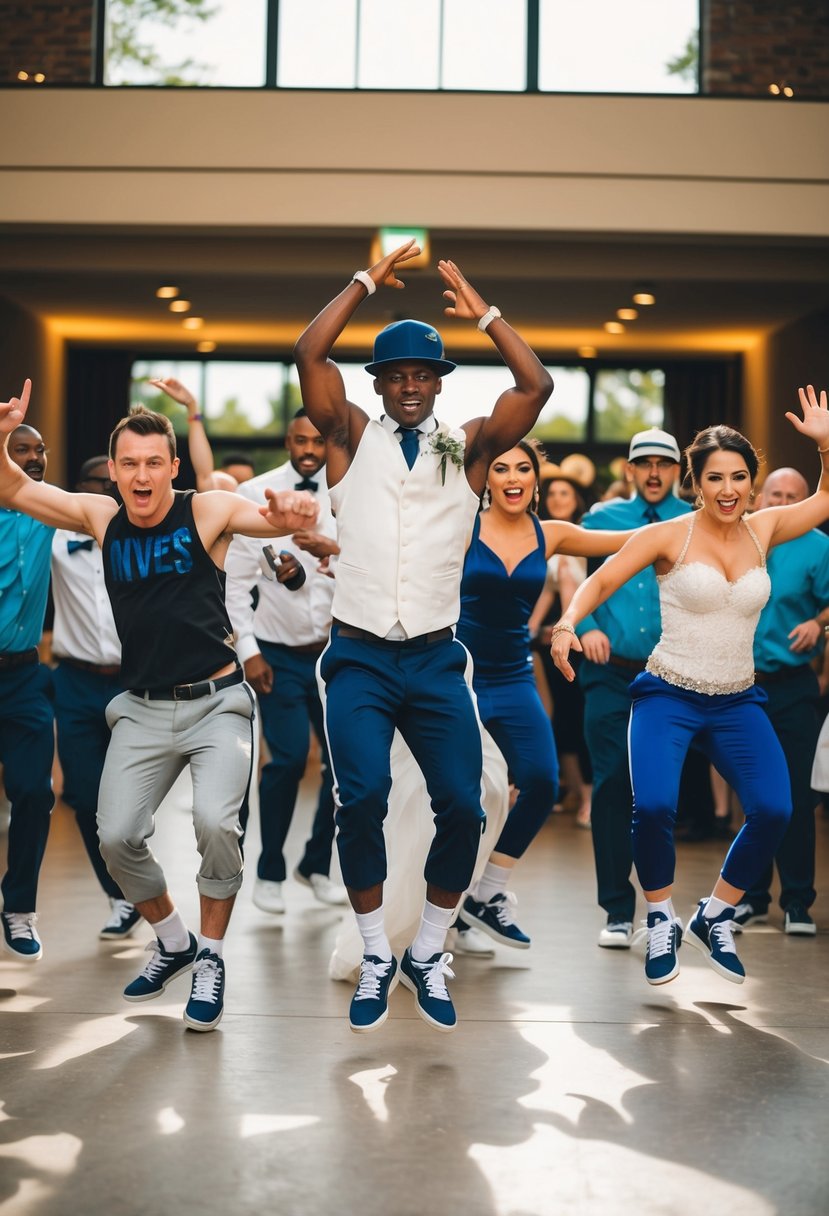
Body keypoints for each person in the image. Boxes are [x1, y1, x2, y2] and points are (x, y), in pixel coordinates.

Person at [294, 238, 553, 1033]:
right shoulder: (345, 438)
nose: (409, 386)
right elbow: (309, 351)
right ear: (379, 385)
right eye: (395, 375)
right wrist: (366, 280)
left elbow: (534, 384)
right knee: (361, 797)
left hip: (438, 657)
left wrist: (486, 314)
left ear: (439, 383)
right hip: (360, 656)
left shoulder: (471, 449)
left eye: (422, 375)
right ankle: (377, 950)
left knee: (466, 809)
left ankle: (429, 948)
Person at [0, 382, 317, 1031]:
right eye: (129, 464)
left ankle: (213, 957)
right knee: (115, 837)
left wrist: (288, 518)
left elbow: (266, 519)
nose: (141, 476)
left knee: (213, 824)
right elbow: (14, 490)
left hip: (217, 702)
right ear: (113, 471)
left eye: (154, 463)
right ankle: (172, 939)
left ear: (173, 467)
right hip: (140, 708)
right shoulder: (101, 516)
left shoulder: (207, 510)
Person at [551, 387, 829, 988]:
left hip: (737, 699)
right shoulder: (666, 537)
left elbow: (826, 497)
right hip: (669, 693)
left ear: (751, 483)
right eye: (714, 478)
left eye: (738, 477)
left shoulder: (766, 529)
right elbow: (598, 584)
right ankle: (659, 919)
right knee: (651, 805)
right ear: (696, 483)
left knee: (776, 809)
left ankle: (716, 914)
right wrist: (569, 622)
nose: (727, 489)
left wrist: (826, 444)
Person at [454, 441, 630, 949]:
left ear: (536, 477)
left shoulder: (549, 533)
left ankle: (488, 894)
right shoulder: (462, 527)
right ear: (485, 479)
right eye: (500, 467)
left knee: (542, 781)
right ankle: (445, 905)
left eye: (523, 468)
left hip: (513, 676)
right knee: (464, 797)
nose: (512, 477)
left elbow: (630, 540)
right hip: (457, 677)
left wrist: (700, 522)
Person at [224, 408, 347, 914]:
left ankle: (316, 865)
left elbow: (368, 565)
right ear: (288, 441)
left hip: (340, 653)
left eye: (318, 441)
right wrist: (248, 652)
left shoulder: (348, 491)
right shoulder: (255, 493)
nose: (310, 450)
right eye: (301, 440)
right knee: (290, 758)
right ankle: (269, 869)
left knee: (345, 770)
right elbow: (233, 585)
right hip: (276, 653)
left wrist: (333, 559)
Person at [575, 428, 692, 950]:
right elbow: (575, 583)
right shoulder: (600, 522)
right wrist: (585, 627)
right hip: (608, 670)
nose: (652, 473)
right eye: (642, 463)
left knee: (657, 794)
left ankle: (659, 910)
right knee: (611, 783)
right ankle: (617, 911)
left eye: (662, 464)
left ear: (676, 472)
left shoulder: (694, 523)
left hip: (671, 675)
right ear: (628, 469)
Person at [735, 466, 829, 935]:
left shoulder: (819, 546)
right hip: (738, 683)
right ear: (759, 496)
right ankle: (749, 898)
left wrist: (820, 621)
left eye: (795, 495)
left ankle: (796, 902)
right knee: (753, 795)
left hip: (792, 684)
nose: (784, 502)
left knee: (796, 794)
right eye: (776, 494)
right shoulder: (738, 535)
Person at [49, 455, 139, 940]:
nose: (107, 489)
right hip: (76, 682)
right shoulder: (57, 539)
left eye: (113, 483)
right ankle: (120, 897)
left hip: (136, 681)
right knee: (83, 796)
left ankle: (144, 886)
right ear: (78, 489)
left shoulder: (144, 535)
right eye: (96, 483)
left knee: (131, 799)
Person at [0, 423, 55, 961]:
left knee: (35, 793)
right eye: (23, 450)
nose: (37, 459)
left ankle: (19, 906)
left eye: (40, 450)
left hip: (24, 676)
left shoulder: (49, 513)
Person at [532, 470, 593, 827]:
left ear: (576, 500)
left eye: (565, 493)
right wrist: (530, 628)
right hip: (555, 636)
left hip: (579, 637)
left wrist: (561, 627)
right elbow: (549, 591)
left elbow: (569, 591)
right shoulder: (543, 535)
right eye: (552, 493)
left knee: (574, 717)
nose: (557, 499)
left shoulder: (581, 537)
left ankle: (586, 796)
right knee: (560, 718)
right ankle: (574, 791)